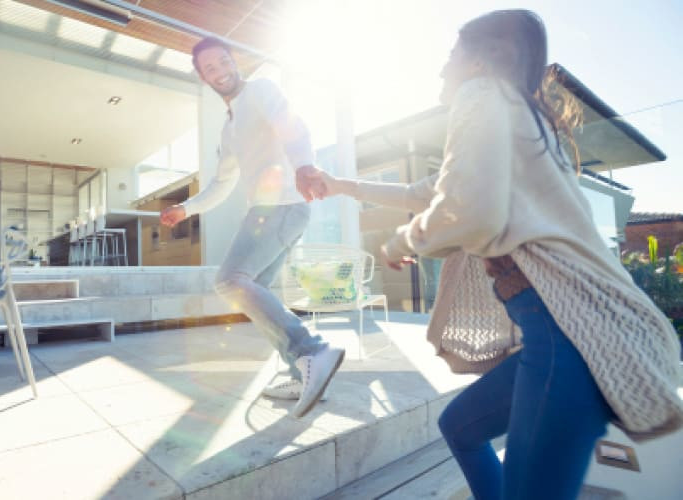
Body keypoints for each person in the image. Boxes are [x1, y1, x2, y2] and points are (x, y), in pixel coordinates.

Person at [304, 10, 683, 499]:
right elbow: (432, 190)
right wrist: (342, 186)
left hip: (568, 344)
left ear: (481, 61)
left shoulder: (480, 95)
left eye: (450, 55)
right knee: (460, 426)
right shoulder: (519, 117)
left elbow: (468, 210)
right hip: (564, 338)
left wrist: (403, 242)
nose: (443, 69)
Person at [160, 37, 344, 419]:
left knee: (230, 281)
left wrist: (305, 166)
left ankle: (310, 352)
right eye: (210, 68)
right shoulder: (229, 130)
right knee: (250, 290)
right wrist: (186, 209)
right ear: (203, 77)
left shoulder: (261, 89)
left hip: (281, 206)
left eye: (224, 62)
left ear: (234, 62)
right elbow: (222, 183)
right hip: (275, 211)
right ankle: (304, 374)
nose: (220, 71)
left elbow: (293, 128)